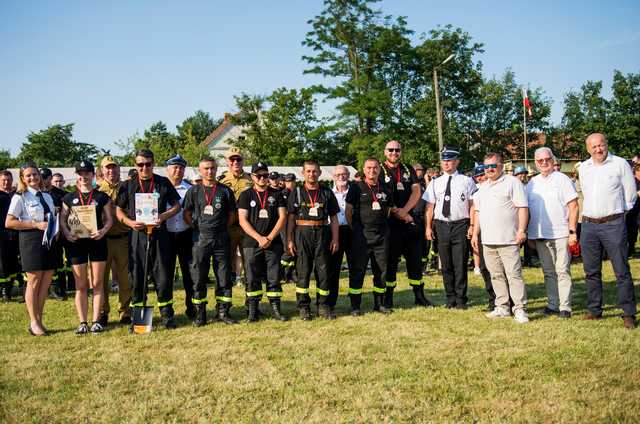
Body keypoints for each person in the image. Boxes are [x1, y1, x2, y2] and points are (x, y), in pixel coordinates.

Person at [116, 149, 181, 330]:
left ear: (153, 163)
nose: (144, 167)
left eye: (148, 164)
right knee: (138, 276)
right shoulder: (128, 185)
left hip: (160, 235)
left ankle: (167, 316)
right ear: (135, 165)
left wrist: (164, 216)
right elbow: (118, 210)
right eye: (140, 164)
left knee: (163, 276)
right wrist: (129, 222)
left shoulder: (162, 182)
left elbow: (176, 205)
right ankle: (140, 320)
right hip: (138, 236)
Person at [579, 133, 637, 329]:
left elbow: (630, 197)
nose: (598, 149)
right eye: (593, 147)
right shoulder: (583, 168)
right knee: (591, 271)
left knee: (621, 270)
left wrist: (617, 217)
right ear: (588, 149)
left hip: (613, 224)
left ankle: (628, 313)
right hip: (588, 226)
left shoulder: (620, 164)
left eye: (601, 145)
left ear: (606, 145)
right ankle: (595, 310)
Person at [471, 152, 530, 324]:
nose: (489, 169)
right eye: (486, 167)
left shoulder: (513, 182)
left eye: (493, 166)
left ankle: (520, 309)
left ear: (501, 166)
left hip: (509, 239)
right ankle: (502, 307)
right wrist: (475, 234)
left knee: (514, 275)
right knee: (495, 275)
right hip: (488, 241)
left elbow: (522, 208)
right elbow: (478, 213)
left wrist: (521, 230)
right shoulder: (482, 188)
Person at [183, 156, 238, 326]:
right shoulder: (193, 191)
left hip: (221, 238)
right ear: (200, 170)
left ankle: (223, 311)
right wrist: (197, 227)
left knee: (224, 277)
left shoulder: (225, 191)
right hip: (200, 240)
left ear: (216, 169)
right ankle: (201, 314)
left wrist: (219, 228)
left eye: (213, 168)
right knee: (198, 277)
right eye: (206, 168)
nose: (210, 171)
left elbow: (231, 215)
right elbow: (186, 213)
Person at [60, 161, 113, 334]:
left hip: (97, 242)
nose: (83, 176)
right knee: (81, 284)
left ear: (92, 175)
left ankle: (96, 320)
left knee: (97, 283)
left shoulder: (101, 196)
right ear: (77, 176)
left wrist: (103, 231)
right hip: (76, 244)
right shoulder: (68, 197)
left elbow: (109, 220)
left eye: (87, 173)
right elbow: (62, 219)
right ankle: (83, 322)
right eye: (80, 173)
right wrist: (67, 234)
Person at [527, 147, 579, 319]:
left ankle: (565, 307)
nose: (544, 163)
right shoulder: (531, 183)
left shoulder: (562, 179)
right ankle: (552, 304)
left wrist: (572, 232)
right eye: (540, 160)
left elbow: (573, 206)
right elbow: (528, 211)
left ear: (553, 160)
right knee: (548, 272)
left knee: (562, 270)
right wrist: (530, 234)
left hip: (561, 233)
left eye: (547, 159)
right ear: (535, 163)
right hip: (540, 235)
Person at [379, 140, 431, 309]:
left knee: (415, 261)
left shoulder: (408, 168)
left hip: (409, 221)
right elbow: (378, 193)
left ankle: (419, 296)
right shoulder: (378, 169)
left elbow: (416, 191)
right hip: (390, 224)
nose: (394, 152)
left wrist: (405, 211)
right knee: (391, 263)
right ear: (385, 151)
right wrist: (396, 211)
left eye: (397, 150)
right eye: (391, 150)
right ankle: (388, 298)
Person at [5, 164, 56, 336]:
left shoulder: (47, 197)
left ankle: (39, 320)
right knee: (34, 282)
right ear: (22, 178)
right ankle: (33, 322)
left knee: (46, 281)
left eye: (35, 174)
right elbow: (9, 222)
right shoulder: (20, 197)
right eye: (28, 175)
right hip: (31, 240)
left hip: (48, 241)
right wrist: (35, 224)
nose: (32, 178)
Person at [287, 159, 339, 320]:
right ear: (303, 173)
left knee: (323, 272)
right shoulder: (296, 192)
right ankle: (303, 307)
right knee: (303, 271)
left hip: (323, 232)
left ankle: (323, 306)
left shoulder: (327, 192)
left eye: (314, 171)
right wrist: (289, 239)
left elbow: (334, 217)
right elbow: (290, 218)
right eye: (308, 171)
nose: (311, 174)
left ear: (320, 172)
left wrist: (335, 238)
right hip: (302, 233)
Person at [424, 147, 476, 309]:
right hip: (441, 226)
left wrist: (472, 225)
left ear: (457, 161)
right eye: (444, 160)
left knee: (460, 263)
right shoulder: (435, 182)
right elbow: (430, 207)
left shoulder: (466, 181)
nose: (446, 163)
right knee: (445, 264)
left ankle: (461, 299)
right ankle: (450, 298)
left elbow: (472, 205)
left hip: (460, 225)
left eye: (450, 160)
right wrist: (428, 227)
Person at [237, 162, 288, 322]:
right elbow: (242, 220)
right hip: (252, 243)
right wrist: (259, 238)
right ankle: (253, 311)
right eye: (258, 175)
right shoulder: (246, 195)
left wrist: (270, 238)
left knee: (274, 276)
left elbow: (282, 217)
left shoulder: (277, 194)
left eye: (265, 175)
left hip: (273, 242)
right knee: (252, 277)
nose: (262, 178)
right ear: (252, 177)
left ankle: (275, 309)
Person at [345, 158, 394, 315]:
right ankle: (355, 306)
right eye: (369, 168)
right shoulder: (356, 187)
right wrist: (356, 229)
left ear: (379, 169)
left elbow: (388, 210)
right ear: (364, 170)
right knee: (358, 271)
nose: (372, 170)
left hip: (382, 235)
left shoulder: (386, 188)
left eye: (375, 168)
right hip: (362, 235)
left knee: (381, 270)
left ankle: (379, 304)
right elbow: (348, 211)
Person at [96, 156, 132, 325]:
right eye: (107, 168)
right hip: (103, 240)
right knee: (102, 279)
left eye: (114, 167)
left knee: (125, 278)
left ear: (119, 169)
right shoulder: (96, 192)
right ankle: (103, 312)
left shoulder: (128, 188)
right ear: (102, 171)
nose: (111, 171)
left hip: (123, 238)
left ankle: (125, 311)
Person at [164, 154, 196, 320]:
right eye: (174, 167)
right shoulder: (160, 187)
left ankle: (191, 307)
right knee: (166, 275)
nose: (178, 170)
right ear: (167, 169)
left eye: (181, 167)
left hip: (186, 235)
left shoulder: (190, 189)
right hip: (166, 236)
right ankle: (167, 310)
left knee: (189, 274)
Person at [218, 147, 252, 286]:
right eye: (232, 159)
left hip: (247, 226)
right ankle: (229, 280)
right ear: (227, 162)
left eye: (238, 159)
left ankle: (248, 280)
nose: (235, 162)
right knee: (228, 256)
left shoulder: (251, 179)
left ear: (243, 161)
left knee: (248, 256)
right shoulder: (221, 180)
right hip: (229, 226)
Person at [41, 167, 70, 301]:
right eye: (42, 177)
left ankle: (57, 288)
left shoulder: (59, 194)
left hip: (58, 232)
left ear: (50, 178)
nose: (43, 180)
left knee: (57, 260)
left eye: (46, 177)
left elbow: (66, 211)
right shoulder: (37, 193)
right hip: (40, 232)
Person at [327, 165, 352, 314]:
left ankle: (355, 302)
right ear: (333, 177)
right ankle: (331, 302)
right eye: (338, 175)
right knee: (333, 269)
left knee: (355, 267)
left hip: (352, 232)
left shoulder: (355, 191)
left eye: (344, 174)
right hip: (333, 232)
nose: (341, 177)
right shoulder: (328, 193)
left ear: (348, 175)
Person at [0, 170, 21, 303]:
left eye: (8, 180)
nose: (6, 182)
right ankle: (3, 291)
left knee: (13, 261)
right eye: (3, 180)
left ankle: (10, 287)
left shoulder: (16, 195)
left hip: (15, 233)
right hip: (1, 234)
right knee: (2, 263)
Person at [279, 173, 297, 285]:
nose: (289, 183)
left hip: (296, 224)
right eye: (287, 181)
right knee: (287, 249)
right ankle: (280, 272)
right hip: (285, 225)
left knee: (294, 250)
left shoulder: (297, 193)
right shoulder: (283, 194)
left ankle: (290, 274)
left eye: (291, 181)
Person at [625, 161, 640, 257]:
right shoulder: (632, 181)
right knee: (631, 232)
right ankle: (630, 250)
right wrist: (637, 194)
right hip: (632, 211)